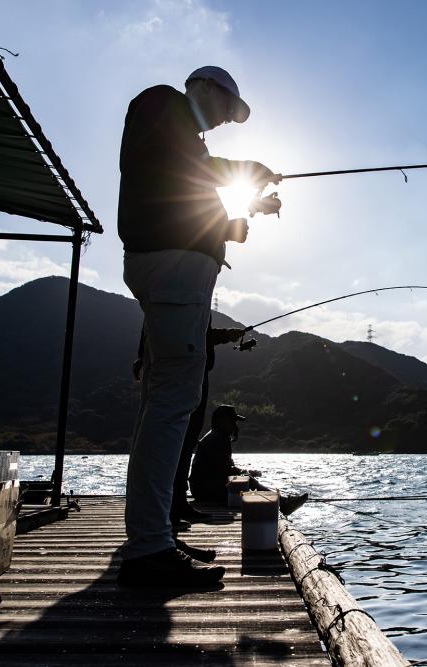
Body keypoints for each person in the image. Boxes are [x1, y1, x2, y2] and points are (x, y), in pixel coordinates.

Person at [117, 66, 279, 588]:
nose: (227, 120)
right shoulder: (162, 102)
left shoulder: (181, 135)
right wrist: (244, 170)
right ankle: (149, 550)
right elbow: (187, 168)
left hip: (174, 268)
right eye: (228, 108)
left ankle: (155, 532)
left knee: (162, 405)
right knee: (171, 404)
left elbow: (180, 191)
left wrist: (236, 219)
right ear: (205, 87)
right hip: (172, 271)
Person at [132, 317, 243, 528]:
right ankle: (172, 509)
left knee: (184, 442)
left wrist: (141, 355)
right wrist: (226, 335)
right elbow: (192, 332)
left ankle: (177, 504)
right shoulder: (188, 291)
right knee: (180, 440)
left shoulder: (175, 293)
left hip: (189, 368)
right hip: (187, 371)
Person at [190, 405, 308, 515]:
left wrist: (245, 472)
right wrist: (246, 474)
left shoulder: (216, 436)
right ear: (221, 420)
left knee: (246, 478)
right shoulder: (218, 439)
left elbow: (224, 468)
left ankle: (278, 500)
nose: (234, 425)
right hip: (205, 491)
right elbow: (224, 470)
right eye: (232, 421)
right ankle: (281, 502)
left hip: (202, 488)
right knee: (247, 480)